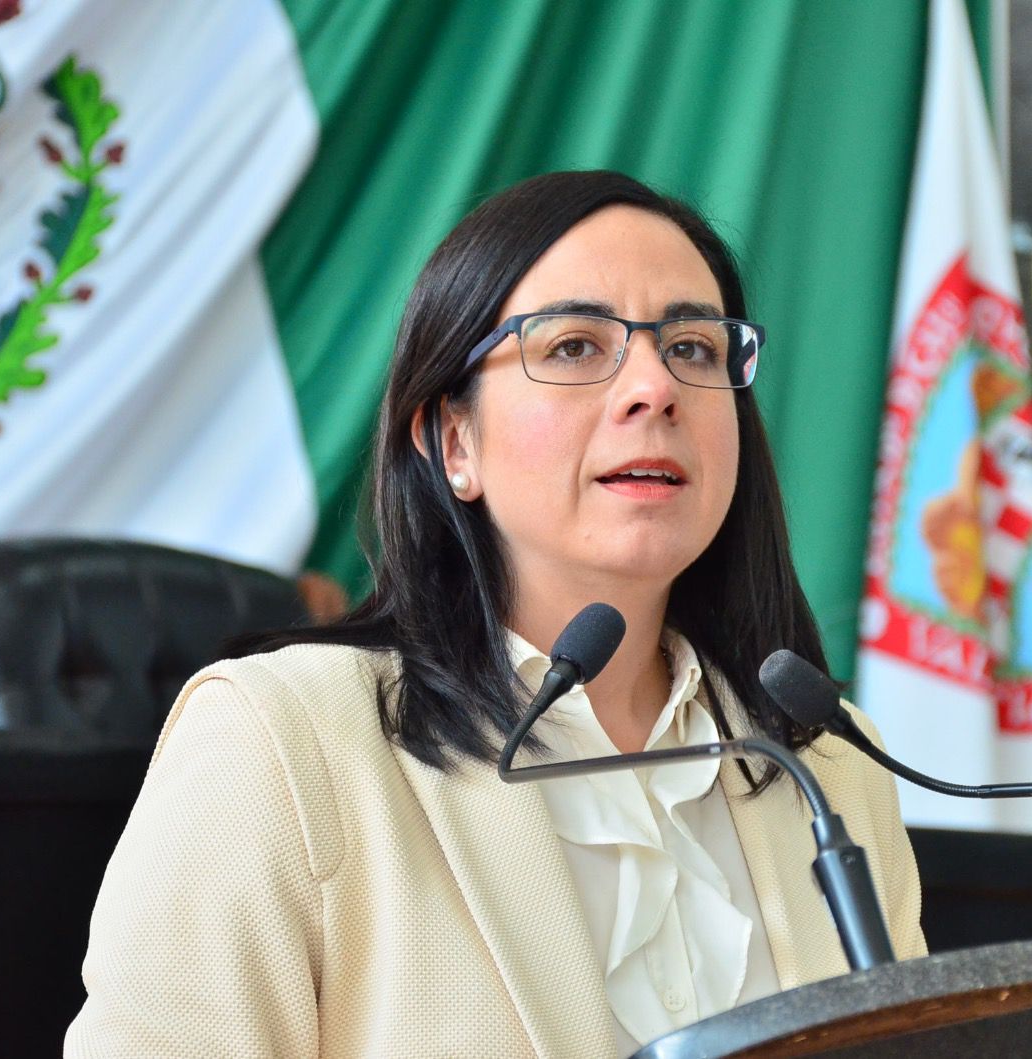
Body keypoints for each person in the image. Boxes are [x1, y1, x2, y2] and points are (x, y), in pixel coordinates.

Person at [66, 170, 926, 1058]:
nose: (655, 388)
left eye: (694, 348)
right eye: (575, 346)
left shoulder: (829, 762)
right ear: (454, 441)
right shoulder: (283, 739)